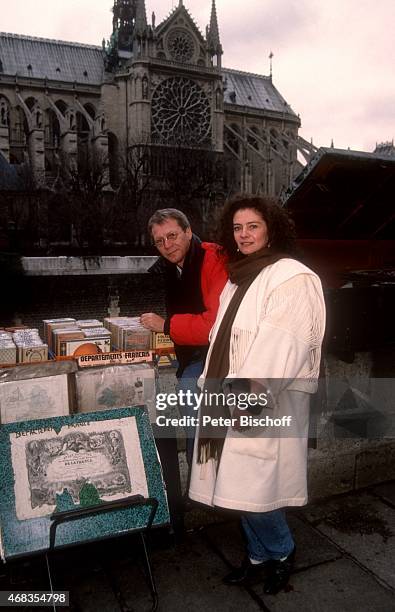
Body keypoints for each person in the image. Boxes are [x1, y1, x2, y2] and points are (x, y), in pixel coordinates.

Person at [189, 194, 326, 594]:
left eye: (253, 226)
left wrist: (246, 401)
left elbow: (284, 344)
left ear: (271, 229)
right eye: (237, 228)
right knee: (237, 485)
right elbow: (223, 341)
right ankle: (257, 555)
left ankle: (281, 551)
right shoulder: (238, 277)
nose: (244, 234)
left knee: (254, 484)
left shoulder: (291, 275)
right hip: (227, 394)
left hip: (263, 399)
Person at [140, 208, 228, 465]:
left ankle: (201, 481)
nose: (167, 245)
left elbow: (214, 326)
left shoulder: (213, 259)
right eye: (160, 241)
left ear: (189, 232)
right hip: (196, 355)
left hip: (220, 354)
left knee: (191, 401)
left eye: (173, 235)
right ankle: (203, 480)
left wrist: (166, 325)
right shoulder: (175, 266)